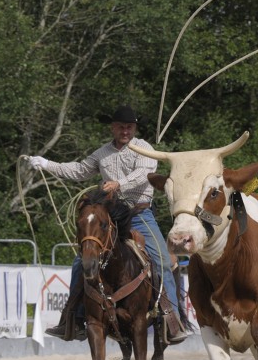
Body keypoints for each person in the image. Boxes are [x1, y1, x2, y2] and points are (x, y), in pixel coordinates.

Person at [28, 105, 187, 343]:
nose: (125, 131)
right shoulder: (102, 153)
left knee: (163, 261)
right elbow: (80, 170)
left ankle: (171, 320)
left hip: (140, 214)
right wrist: (47, 164)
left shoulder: (145, 149)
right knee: (82, 261)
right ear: (113, 128)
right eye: (121, 127)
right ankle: (73, 319)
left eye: (129, 127)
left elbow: (143, 174)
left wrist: (118, 184)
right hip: (111, 216)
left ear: (134, 128)